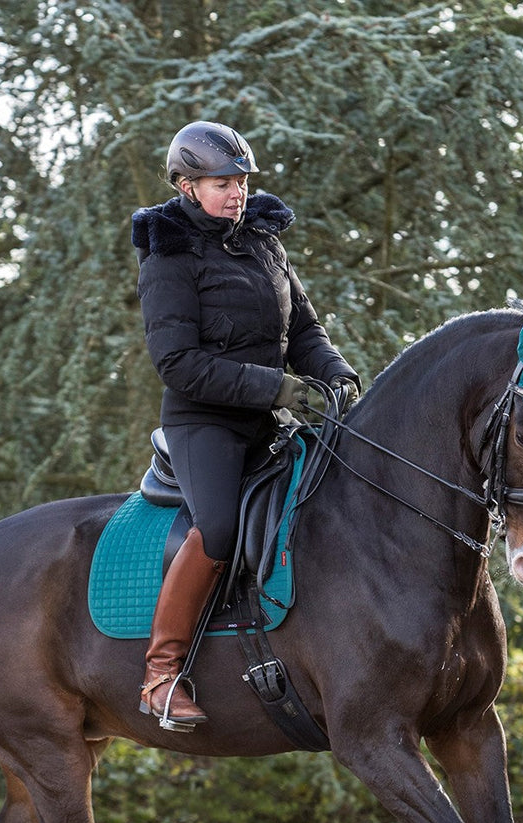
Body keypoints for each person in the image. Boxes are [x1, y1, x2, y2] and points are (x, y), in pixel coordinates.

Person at [131, 120, 361, 730]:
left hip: (267, 417)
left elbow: (305, 331)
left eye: (240, 180)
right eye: (220, 182)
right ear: (186, 186)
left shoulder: (263, 241)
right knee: (221, 528)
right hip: (204, 424)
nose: (235, 192)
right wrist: (280, 388)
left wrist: (336, 375)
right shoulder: (167, 258)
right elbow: (178, 364)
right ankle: (161, 672)